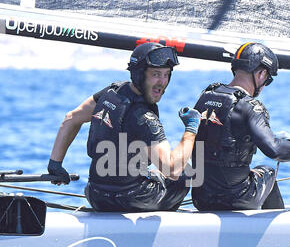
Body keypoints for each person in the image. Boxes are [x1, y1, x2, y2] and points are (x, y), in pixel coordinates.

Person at [47, 42, 201, 212]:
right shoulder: (144, 118)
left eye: (166, 75)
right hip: (130, 200)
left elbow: (71, 118)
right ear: (138, 74)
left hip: (95, 195)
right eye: (156, 74)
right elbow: (172, 169)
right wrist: (191, 128)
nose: (162, 82)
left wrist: (55, 164)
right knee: (184, 173)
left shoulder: (110, 93)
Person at [191, 42, 290, 211]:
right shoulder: (250, 106)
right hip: (235, 198)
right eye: (268, 79)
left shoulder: (206, 95)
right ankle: (275, 232)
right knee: (267, 172)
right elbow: (275, 150)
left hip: (200, 198)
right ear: (261, 73)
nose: (265, 85)